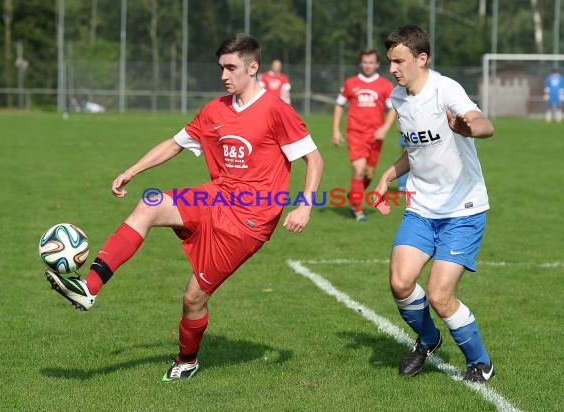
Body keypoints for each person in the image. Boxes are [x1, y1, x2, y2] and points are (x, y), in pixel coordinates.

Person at [45, 33, 323, 382]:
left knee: (192, 298)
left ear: (253, 68)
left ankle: (187, 360)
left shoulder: (277, 111)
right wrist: (132, 170)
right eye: (221, 67)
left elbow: (314, 159)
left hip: (249, 222)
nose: (223, 75)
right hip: (216, 197)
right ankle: (90, 288)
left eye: (231, 67)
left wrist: (305, 206)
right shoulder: (215, 110)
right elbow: (175, 144)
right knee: (148, 205)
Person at [373, 25, 496, 382]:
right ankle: (428, 339)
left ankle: (480, 362)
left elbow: (484, 124)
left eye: (399, 61)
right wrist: (386, 177)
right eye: (390, 61)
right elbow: (415, 149)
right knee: (400, 282)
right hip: (422, 207)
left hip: (463, 210)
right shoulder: (398, 99)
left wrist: (468, 127)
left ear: (421, 59)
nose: (392, 68)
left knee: (441, 295)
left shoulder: (445, 89)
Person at [332, 49, 396, 221]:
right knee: (359, 170)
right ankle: (358, 210)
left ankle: (354, 194)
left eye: (371, 62)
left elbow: (392, 110)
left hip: (375, 136)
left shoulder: (385, 85)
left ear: (377, 64)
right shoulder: (350, 83)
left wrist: (385, 128)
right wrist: (336, 130)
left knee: (368, 175)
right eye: (365, 62)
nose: (368, 65)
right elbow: (339, 106)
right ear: (361, 63)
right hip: (355, 133)